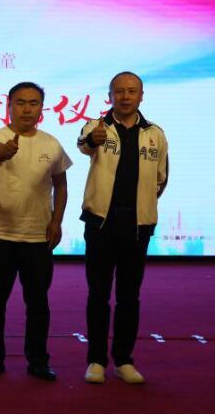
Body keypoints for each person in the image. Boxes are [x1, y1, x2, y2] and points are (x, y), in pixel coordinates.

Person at [0, 82, 71, 381]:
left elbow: (61, 185)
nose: (27, 109)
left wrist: (56, 221)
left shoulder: (51, 144)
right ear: (9, 105)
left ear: (41, 108)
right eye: (20, 102)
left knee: (38, 303)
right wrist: (5, 151)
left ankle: (38, 361)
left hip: (37, 237)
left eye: (33, 103)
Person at [78, 71, 168, 384]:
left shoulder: (155, 134)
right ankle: (96, 361)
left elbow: (160, 179)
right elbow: (84, 144)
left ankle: (124, 360)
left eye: (131, 91)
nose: (125, 97)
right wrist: (93, 140)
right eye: (119, 91)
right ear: (110, 96)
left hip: (137, 226)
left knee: (130, 296)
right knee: (98, 294)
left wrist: (141, 205)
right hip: (101, 223)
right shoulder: (96, 127)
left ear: (141, 96)